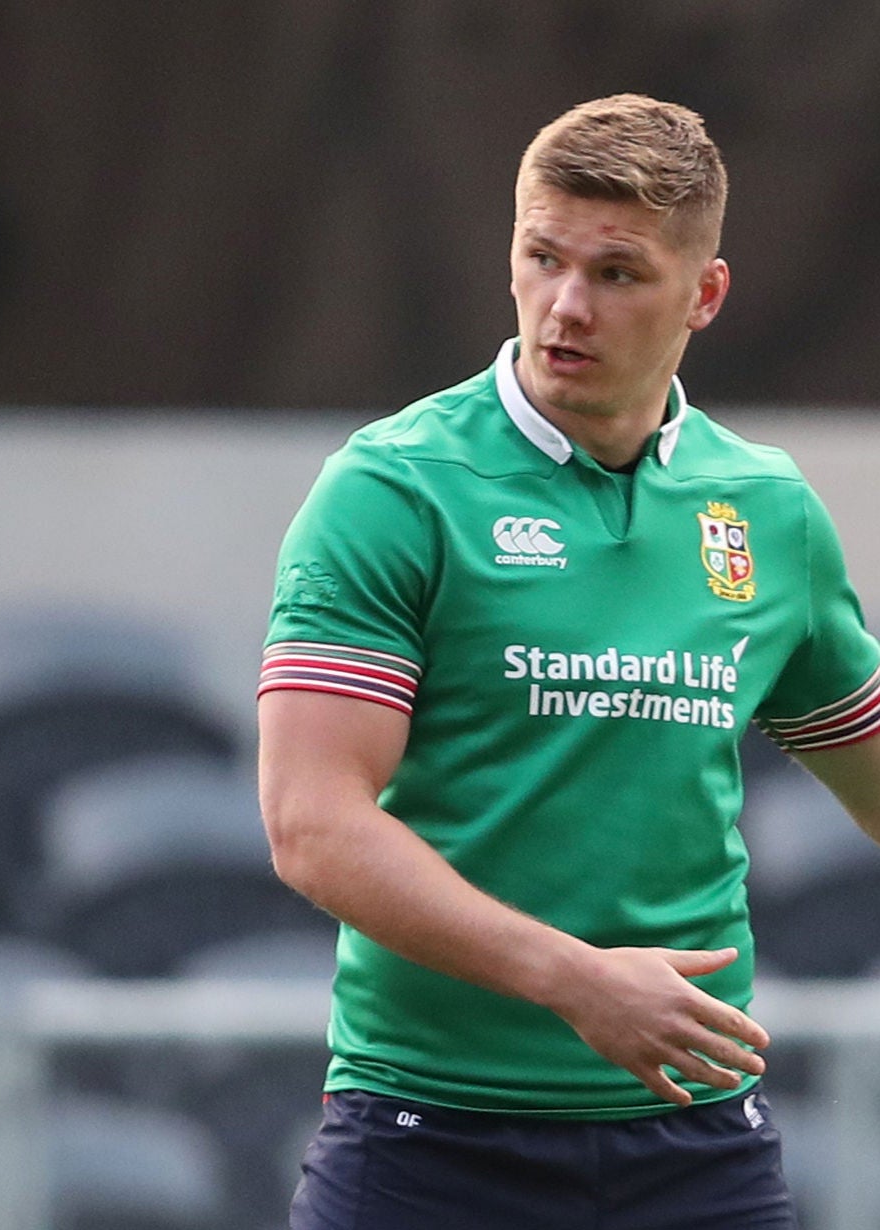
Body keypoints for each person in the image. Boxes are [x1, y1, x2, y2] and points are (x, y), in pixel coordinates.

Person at [258, 94, 880, 1230]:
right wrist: (574, 981)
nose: (565, 306)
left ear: (703, 294)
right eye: (541, 258)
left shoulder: (767, 513)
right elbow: (311, 825)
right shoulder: (393, 488)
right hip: (425, 1138)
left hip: (697, 1146)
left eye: (616, 273)